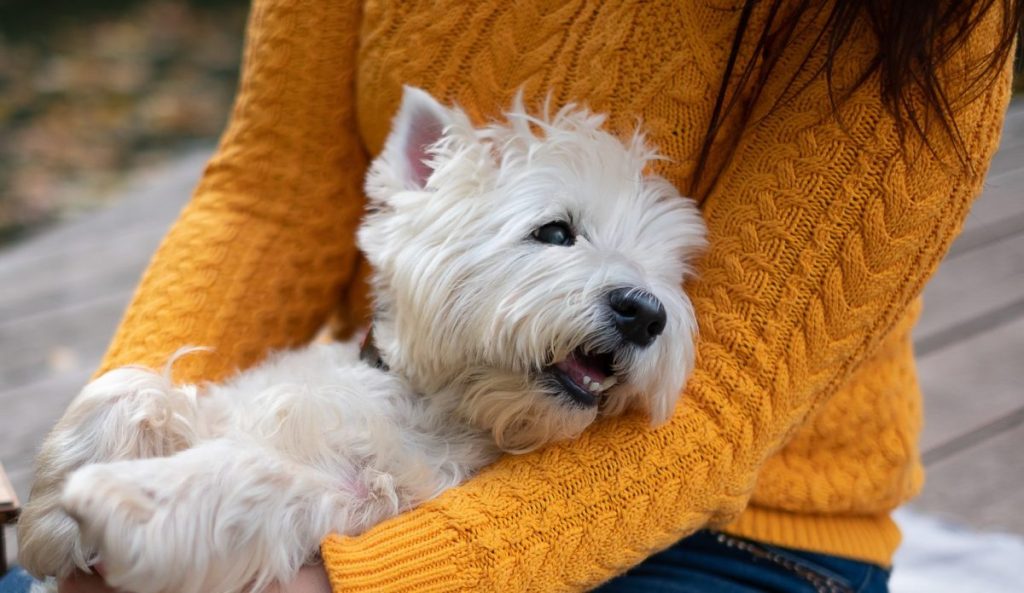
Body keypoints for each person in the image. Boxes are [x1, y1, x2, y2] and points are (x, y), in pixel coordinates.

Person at [3, 0, 1017, 592]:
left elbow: (719, 407)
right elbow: (273, 188)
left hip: (742, 523)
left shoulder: (933, 23)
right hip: (414, 420)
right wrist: (126, 419)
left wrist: (337, 577)